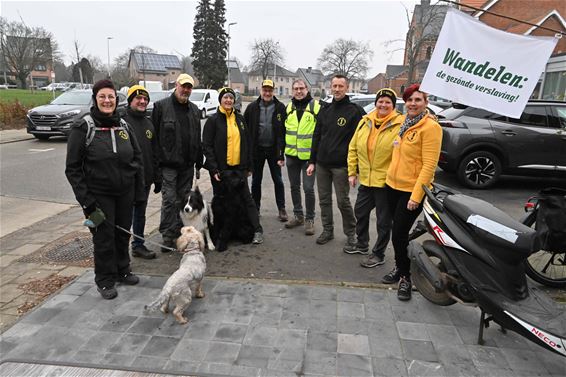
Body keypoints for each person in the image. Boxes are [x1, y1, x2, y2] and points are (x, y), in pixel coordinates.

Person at [65, 79, 145, 300]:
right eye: (103, 97)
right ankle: (105, 279)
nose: (107, 101)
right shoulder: (84, 127)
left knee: (122, 234)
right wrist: (87, 202)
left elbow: (137, 159)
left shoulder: (124, 125)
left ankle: (122, 270)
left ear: (116, 99)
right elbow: (72, 169)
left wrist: (138, 191)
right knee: (103, 238)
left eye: (111, 97)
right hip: (98, 196)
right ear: (95, 99)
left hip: (125, 192)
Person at [381, 84, 442, 301]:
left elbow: (428, 166)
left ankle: (406, 277)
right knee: (397, 233)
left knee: (398, 234)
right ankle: (399, 268)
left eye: (417, 100)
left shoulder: (430, 127)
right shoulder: (405, 123)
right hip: (392, 186)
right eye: (409, 100)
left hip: (410, 191)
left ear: (426, 102)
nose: (412, 104)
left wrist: (416, 197)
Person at [347, 88, 403, 268]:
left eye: (388, 102)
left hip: (386, 183)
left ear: (393, 105)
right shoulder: (365, 122)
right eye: (381, 101)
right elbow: (353, 147)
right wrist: (352, 172)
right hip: (366, 180)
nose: (383, 105)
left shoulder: (401, 124)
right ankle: (362, 244)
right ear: (376, 103)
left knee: (383, 221)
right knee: (360, 212)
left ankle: (378, 253)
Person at [307, 75, 364, 247]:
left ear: (347, 88)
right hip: (322, 164)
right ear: (330, 87)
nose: (337, 89)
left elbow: (360, 141)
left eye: (340, 86)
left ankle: (351, 233)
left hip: (342, 166)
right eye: (334, 86)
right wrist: (312, 161)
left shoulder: (355, 111)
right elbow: (316, 137)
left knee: (342, 201)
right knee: (324, 200)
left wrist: (355, 169)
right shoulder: (325, 110)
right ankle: (328, 230)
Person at [202, 87, 264, 247]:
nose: (229, 100)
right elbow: (207, 146)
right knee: (221, 204)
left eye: (231, 98)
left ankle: (257, 229)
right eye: (225, 98)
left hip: (239, 170)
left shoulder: (240, 119)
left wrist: (249, 165)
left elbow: (247, 143)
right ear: (220, 100)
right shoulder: (213, 120)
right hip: (221, 172)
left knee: (247, 200)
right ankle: (221, 233)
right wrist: (214, 169)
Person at [151, 73, 203, 252]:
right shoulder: (161, 107)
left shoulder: (195, 110)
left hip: (187, 166)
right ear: (176, 85)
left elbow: (197, 137)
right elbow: (155, 139)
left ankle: (180, 233)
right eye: (184, 86)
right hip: (168, 166)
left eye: (189, 87)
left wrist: (198, 160)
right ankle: (167, 236)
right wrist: (156, 165)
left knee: (183, 202)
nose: (186, 90)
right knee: (169, 201)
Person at [123, 85, 161, 260]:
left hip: (144, 180)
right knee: (123, 216)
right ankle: (120, 250)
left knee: (140, 214)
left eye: (145, 99)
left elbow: (154, 152)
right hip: (125, 180)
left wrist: (157, 176)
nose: (142, 101)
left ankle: (138, 245)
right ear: (130, 100)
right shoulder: (121, 121)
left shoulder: (148, 123)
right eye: (138, 98)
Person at [244, 79, 288, 222]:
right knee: (256, 181)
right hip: (257, 150)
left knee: (278, 180)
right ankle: (255, 208)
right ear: (261, 90)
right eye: (265, 90)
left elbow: (284, 131)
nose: (267, 92)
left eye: (270, 90)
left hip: (273, 150)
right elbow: (244, 129)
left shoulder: (281, 108)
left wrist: (282, 152)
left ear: (273, 91)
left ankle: (281, 208)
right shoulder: (252, 107)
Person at [284, 79, 321, 236]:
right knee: (294, 187)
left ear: (307, 89)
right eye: (296, 89)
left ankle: (310, 219)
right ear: (292, 91)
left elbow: (320, 133)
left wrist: (315, 157)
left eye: (301, 88)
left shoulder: (316, 107)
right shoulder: (289, 107)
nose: (299, 91)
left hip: (308, 158)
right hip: (291, 155)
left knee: (308, 188)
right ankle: (298, 215)